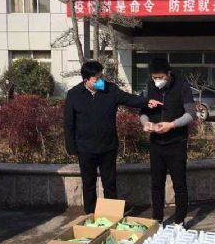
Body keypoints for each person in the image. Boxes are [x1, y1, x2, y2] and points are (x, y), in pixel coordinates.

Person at [64, 60, 161, 214]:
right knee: (88, 184)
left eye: (101, 77)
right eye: (96, 79)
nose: (100, 81)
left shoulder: (110, 89)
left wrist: (146, 102)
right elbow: (69, 123)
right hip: (85, 148)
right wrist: (71, 147)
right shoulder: (74, 94)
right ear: (86, 80)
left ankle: (111, 216)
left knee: (109, 184)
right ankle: (90, 215)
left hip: (108, 146)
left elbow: (128, 98)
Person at [140, 57, 197, 227]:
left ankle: (179, 220)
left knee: (179, 183)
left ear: (168, 74)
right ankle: (157, 219)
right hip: (156, 143)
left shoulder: (182, 86)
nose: (157, 81)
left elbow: (191, 114)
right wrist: (146, 123)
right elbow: (143, 111)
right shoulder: (149, 86)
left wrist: (171, 125)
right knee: (157, 183)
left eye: (160, 77)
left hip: (176, 142)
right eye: (154, 77)